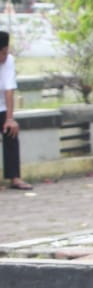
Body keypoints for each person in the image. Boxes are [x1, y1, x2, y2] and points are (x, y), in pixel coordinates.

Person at [0, 31, 34, 190]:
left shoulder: (9, 61)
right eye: (2, 53)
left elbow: (9, 90)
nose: (4, 56)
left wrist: (10, 119)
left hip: (2, 107)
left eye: (6, 52)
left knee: (11, 133)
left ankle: (15, 178)